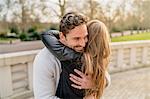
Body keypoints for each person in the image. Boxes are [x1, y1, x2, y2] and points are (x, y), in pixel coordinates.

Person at [41, 19, 111, 99]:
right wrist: (97, 83)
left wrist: (66, 33)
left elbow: (47, 35)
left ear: (88, 38)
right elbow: (106, 78)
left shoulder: (73, 58)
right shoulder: (99, 62)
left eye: (85, 36)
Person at [33, 12, 95, 99]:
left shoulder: (85, 48)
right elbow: (44, 97)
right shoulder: (44, 59)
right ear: (62, 36)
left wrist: (95, 83)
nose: (83, 43)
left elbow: (106, 77)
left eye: (85, 37)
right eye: (76, 38)